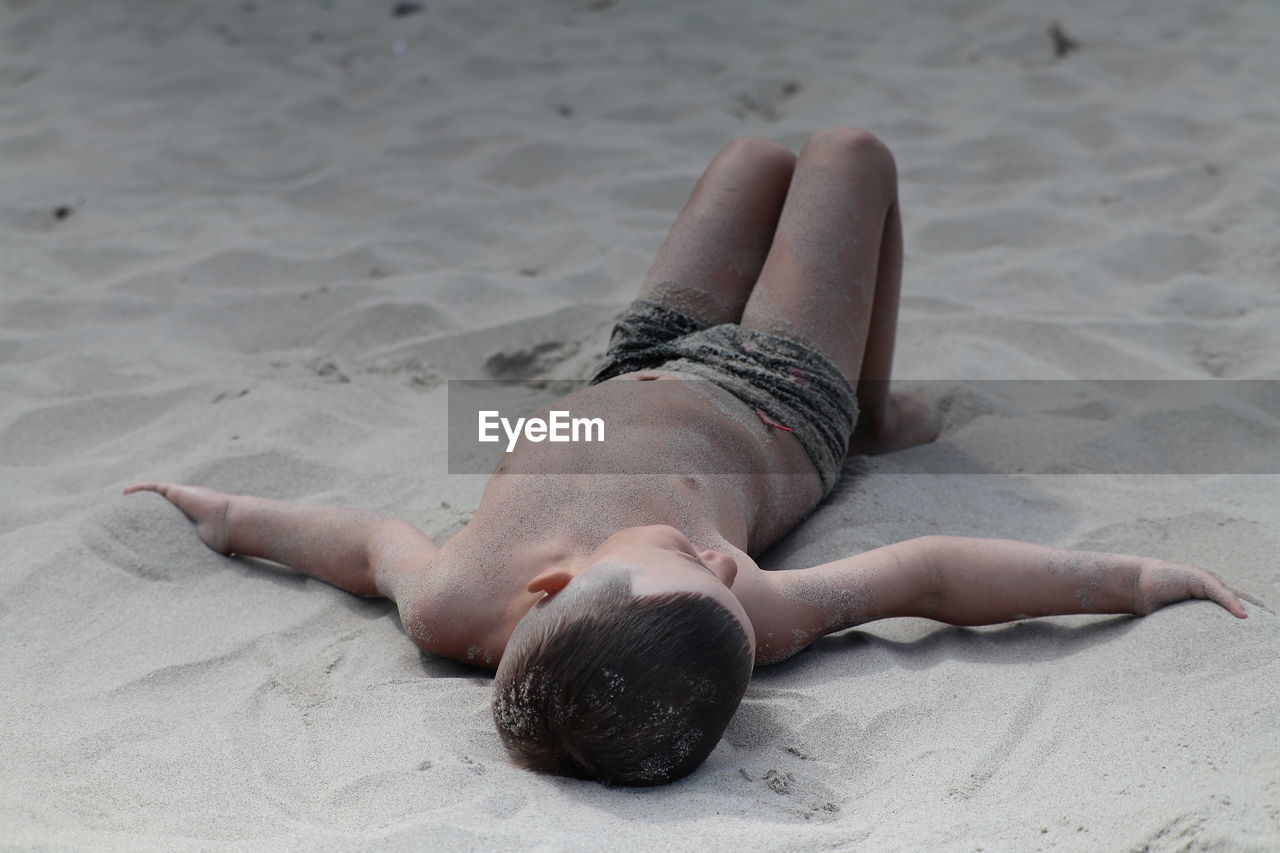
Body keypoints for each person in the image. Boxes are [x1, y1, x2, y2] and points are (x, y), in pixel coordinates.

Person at [125, 128, 1258, 787]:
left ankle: (572, 403)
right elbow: (928, 578)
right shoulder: (744, 614)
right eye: (721, 576)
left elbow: (363, 542)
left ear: (550, 588)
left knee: (752, 158)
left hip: (620, 379)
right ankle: (869, 407)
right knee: (848, 155)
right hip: (773, 401)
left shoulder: (451, 602)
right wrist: (1126, 579)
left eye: (689, 562)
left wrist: (225, 512)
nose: (721, 566)